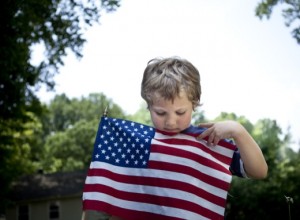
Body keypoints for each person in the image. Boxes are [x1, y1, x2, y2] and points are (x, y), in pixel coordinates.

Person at [108, 56, 268, 220]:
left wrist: (238, 131)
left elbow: (259, 171)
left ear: (195, 103)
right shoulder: (140, 145)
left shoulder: (208, 142)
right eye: (161, 113)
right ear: (148, 106)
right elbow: (124, 203)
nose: (170, 122)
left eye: (180, 112)